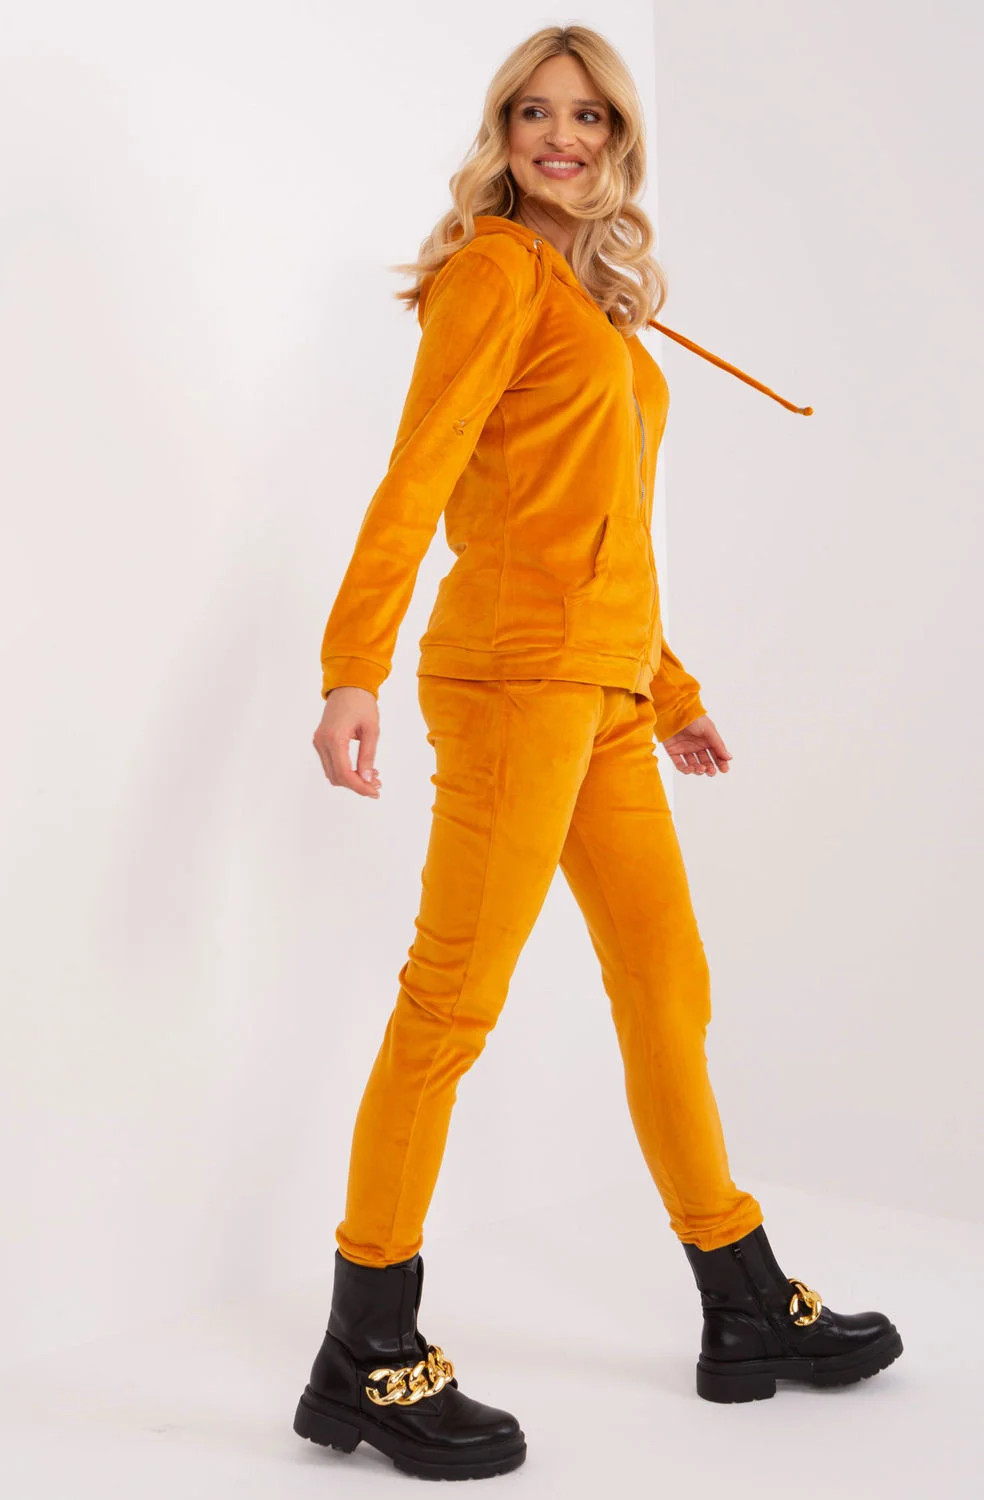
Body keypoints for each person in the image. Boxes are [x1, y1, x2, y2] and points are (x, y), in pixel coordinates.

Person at [294, 24, 902, 1482]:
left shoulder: (594, 304)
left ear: (621, 140)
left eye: (588, 116)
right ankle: (365, 1348)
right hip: (515, 684)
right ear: (501, 132)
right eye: (533, 112)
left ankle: (741, 1297)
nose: (559, 137)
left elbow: (602, 526)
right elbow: (419, 474)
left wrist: (667, 684)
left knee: (667, 990)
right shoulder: (494, 273)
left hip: (604, 693)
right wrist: (351, 667)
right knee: (452, 1004)